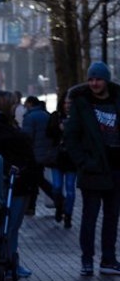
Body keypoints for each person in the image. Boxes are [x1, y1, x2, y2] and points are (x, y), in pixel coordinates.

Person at [64, 62, 120, 276]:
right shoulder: (82, 103)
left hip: (116, 169)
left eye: (98, 79)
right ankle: (86, 260)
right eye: (91, 79)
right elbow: (71, 136)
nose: (94, 83)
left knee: (112, 217)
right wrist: (83, 162)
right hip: (93, 169)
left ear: (106, 80)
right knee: (90, 217)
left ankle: (108, 259)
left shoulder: (117, 100)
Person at [0, 90, 36, 279]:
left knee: (6, 225)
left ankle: (5, 260)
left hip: (10, 179)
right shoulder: (2, 128)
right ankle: (8, 261)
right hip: (14, 180)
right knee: (10, 225)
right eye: (13, 104)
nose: (16, 107)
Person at [21, 95, 55, 214]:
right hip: (44, 152)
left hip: (33, 153)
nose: (25, 106)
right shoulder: (45, 114)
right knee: (36, 179)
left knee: (37, 180)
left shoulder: (30, 117)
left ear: (30, 103)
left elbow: (27, 137)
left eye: (26, 104)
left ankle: (58, 198)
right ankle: (31, 206)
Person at [46, 95, 77, 228]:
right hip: (58, 158)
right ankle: (59, 207)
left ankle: (68, 215)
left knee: (70, 189)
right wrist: (57, 129)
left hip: (72, 159)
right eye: (65, 103)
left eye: (70, 103)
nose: (67, 106)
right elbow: (48, 133)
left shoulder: (78, 118)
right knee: (57, 187)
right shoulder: (55, 116)